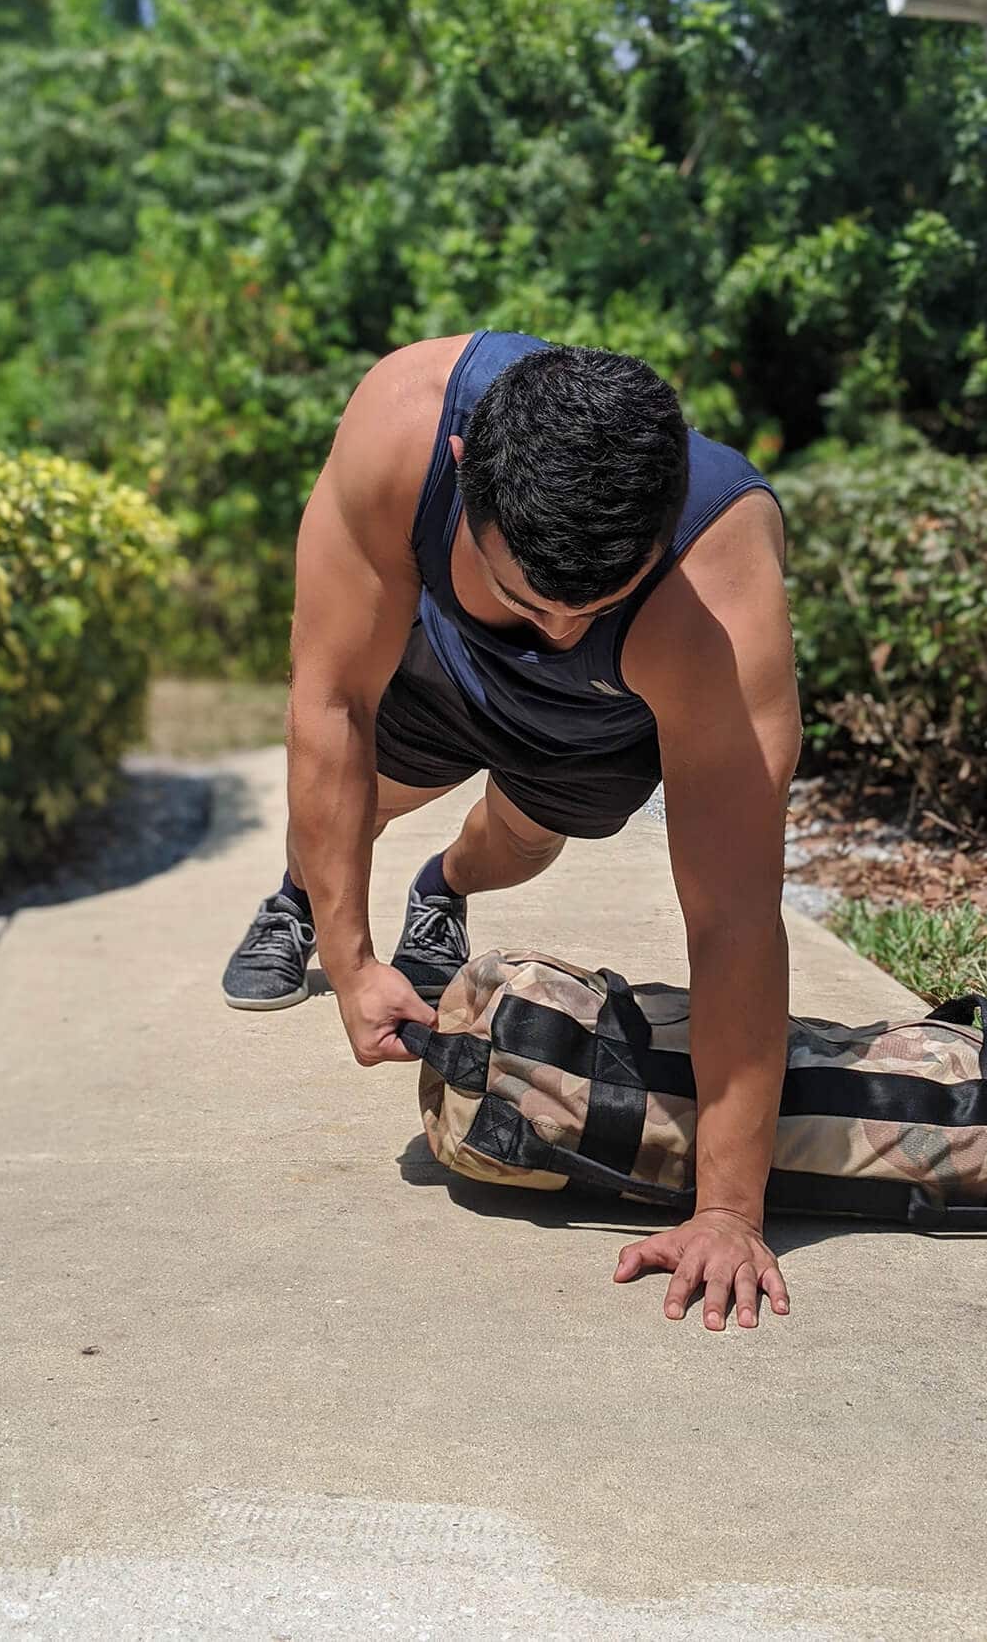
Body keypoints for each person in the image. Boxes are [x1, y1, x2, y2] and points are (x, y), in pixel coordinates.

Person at [222, 331, 801, 1330]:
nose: (564, 630)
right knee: (365, 796)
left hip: (603, 725)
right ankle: (297, 902)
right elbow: (329, 710)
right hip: (442, 668)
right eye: (532, 597)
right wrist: (353, 963)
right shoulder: (401, 432)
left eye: (599, 605)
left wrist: (727, 1209)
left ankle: (439, 888)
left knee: (524, 842)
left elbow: (734, 916)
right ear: (461, 471)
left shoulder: (719, 583)